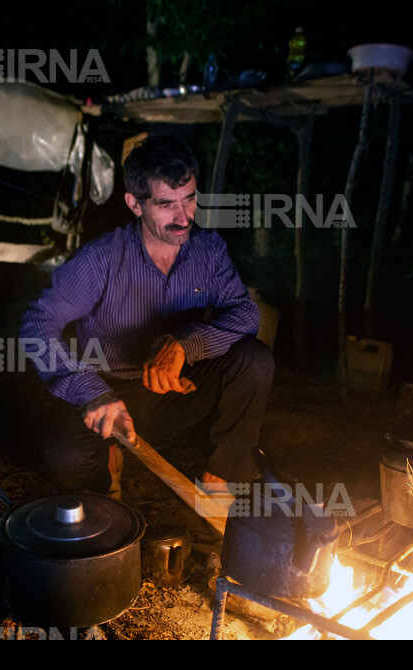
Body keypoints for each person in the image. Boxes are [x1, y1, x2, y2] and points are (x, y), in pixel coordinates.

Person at [19, 136, 275, 498]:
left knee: (255, 359)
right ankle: (104, 490)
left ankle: (224, 475)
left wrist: (186, 344)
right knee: (67, 459)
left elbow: (245, 313)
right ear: (135, 204)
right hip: (110, 391)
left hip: (173, 389)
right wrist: (91, 392)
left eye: (190, 198)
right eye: (166, 204)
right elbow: (37, 325)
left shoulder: (209, 251)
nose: (184, 217)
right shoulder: (101, 259)